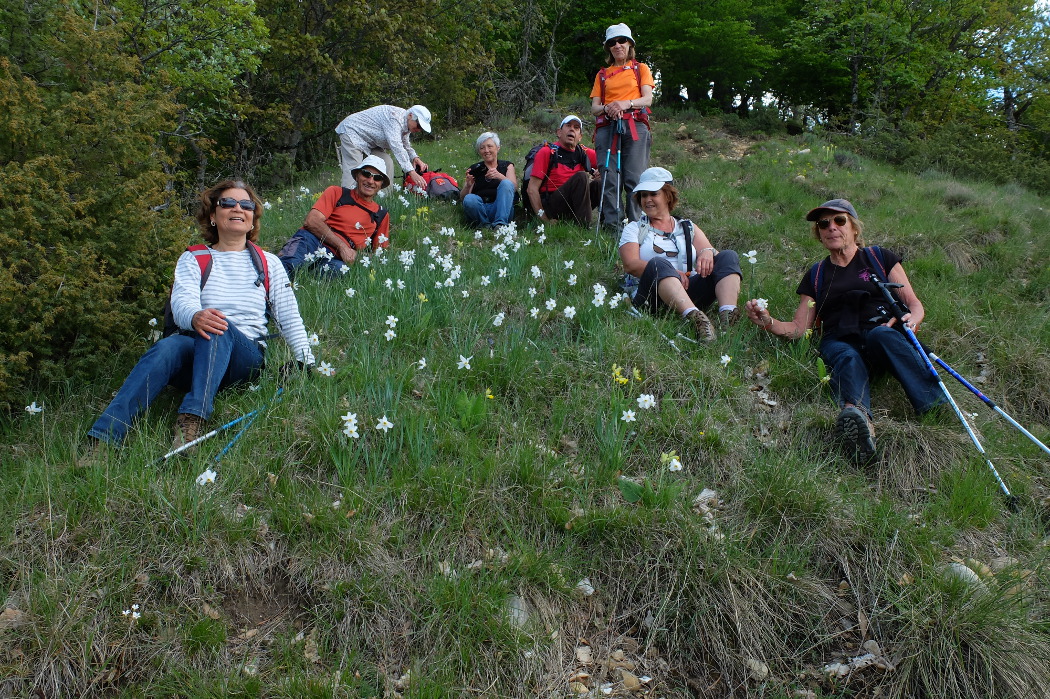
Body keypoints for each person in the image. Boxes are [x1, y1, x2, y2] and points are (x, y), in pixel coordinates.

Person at [83, 180, 315, 457]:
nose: (238, 208)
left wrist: (307, 362)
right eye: (227, 203)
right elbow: (181, 304)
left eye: (247, 204)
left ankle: (191, 421)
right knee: (169, 346)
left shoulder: (269, 262)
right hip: (197, 350)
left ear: (253, 218)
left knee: (217, 323)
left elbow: (289, 317)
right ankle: (103, 439)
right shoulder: (194, 258)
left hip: (243, 361)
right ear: (213, 216)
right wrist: (195, 316)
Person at [744, 199, 944, 463]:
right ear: (819, 233)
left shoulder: (878, 257)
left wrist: (912, 320)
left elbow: (913, 304)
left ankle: (935, 407)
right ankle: (858, 421)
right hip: (840, 338)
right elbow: (798, 329)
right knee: (846, 355)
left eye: (839, 221)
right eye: (823, 224)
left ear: (854, 228)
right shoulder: (816, 274)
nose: (831, 228)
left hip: (881, 334)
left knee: (881, 335)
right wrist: (768, 322)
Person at [619, 167, 741, 342]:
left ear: (668, 196)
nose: (647, 200)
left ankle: (728, 317)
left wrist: (706, 252)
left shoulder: (686, 226)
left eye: (653, 194)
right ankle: (697, 319)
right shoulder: (634, 228)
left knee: (728, 256)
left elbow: (715, 255)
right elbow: (630, 264)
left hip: (687, 288)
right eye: (643, 195)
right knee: (657, 263)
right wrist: (672, 272)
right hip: (652, 296)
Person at [277, 155, 391, 278]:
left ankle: (305, 281)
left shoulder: (381, 214)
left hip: (339, 259)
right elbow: (311, 221)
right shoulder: (337, 193)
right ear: (357, 176)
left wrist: (356, 256)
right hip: (313, 240)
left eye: (377, 178)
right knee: (285, 269)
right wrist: (342, 247)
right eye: (366, 174)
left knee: (340, 273)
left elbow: (379, 255)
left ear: (381, 184)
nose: (370, 181)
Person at [590, 23, 654, 231]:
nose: (618, 45)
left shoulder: (640, 69)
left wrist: (626, 104)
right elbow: (594, 107)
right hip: (608, 127)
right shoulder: (602, 74)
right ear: (608, 47)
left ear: (630, 44)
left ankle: (635, 228)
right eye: (612, 42)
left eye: (622, 41)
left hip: (635, 125)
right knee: (609, 178)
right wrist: (609, 107)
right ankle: (613, 227)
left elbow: (647, 99)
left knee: (634, 178)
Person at [334, 104, 431, 191]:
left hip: (371, 141)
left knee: (386, 162)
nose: (419, 130)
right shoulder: (394, 118)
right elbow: (397, 147)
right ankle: (347, 202)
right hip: (353, 132)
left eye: (421, 128)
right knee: (354, 170)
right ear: (410, 115)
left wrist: (415, 158)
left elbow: (404, 143)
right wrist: (411, 172)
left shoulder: (406, 122)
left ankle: (383, 199)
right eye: (418, 125)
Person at [526, 115, 600, 227]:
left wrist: (601, 172)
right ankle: (584, 227)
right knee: (581, 177)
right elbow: (532, 189)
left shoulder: (583, 152)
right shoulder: (546, 152)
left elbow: (609, 164)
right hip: (553, 204)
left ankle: (608, 223)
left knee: (599, 183)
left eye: (576, 128)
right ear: (559, 132)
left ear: (580, 137)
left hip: (575, 202)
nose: (572, 129)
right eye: (568, 126)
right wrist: (544, 219)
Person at [460, 131, 516, 228]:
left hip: (502, 208)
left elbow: (513, 188)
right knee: (469, 199)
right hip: (481, 208)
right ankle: (485, 226)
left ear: (498, 148)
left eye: (490, 146)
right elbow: (463, 198)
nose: (486, 150)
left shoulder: (507, 166)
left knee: (506, 183)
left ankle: (500, 224)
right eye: (482, 148)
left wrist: (499, 176)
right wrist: (468, 186)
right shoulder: (475, 169)